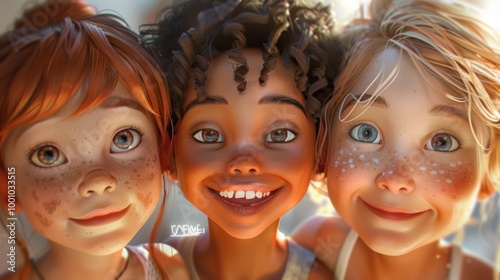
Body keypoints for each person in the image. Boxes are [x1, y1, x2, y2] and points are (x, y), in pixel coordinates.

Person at [291, 0, 500, 279]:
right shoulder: (318, 246)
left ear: (488, 170)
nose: (395, 178)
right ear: (324, 146)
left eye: (442, 142)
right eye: (366, 132)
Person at [146, 0, 340, 278]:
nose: (244, 163)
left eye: (280, 134)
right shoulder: (149, 269)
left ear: (320, 150)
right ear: (169, 151)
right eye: (209, 135)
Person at [0, 0, 188, 279]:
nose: (97, 181)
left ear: (163, 149)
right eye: (48, 154)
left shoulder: (172, 268)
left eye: (124, 138)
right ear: (7, 185)